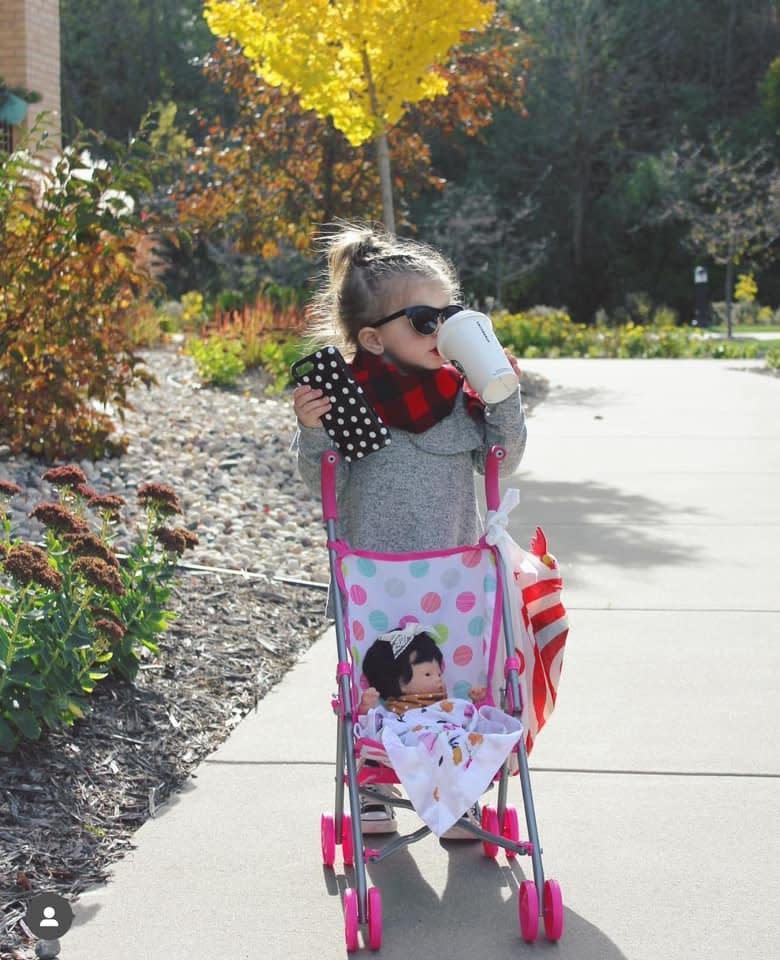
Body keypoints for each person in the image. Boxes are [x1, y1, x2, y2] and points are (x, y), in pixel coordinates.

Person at [293, 222, 527, 833]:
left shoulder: (460, 396)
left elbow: (503, 456)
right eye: (425, 320)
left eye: (450, 315)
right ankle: (373, 785)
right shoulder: (351, 398)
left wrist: (502, 394)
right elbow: (325, 483)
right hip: (376, 576)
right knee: (379, 685)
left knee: (454, 677)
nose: (441, 330)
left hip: (454, 577)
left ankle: (458, 778)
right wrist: (314, 430)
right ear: (372, 338)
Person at [358, 623, 486, 716]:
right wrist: (365, 708)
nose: (438, 679)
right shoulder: (394, 713)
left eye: (439, 674)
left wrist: (476, 703)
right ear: (400, 682)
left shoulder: (448, 705)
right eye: (428, 674)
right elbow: (371, 730)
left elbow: (467, 725)